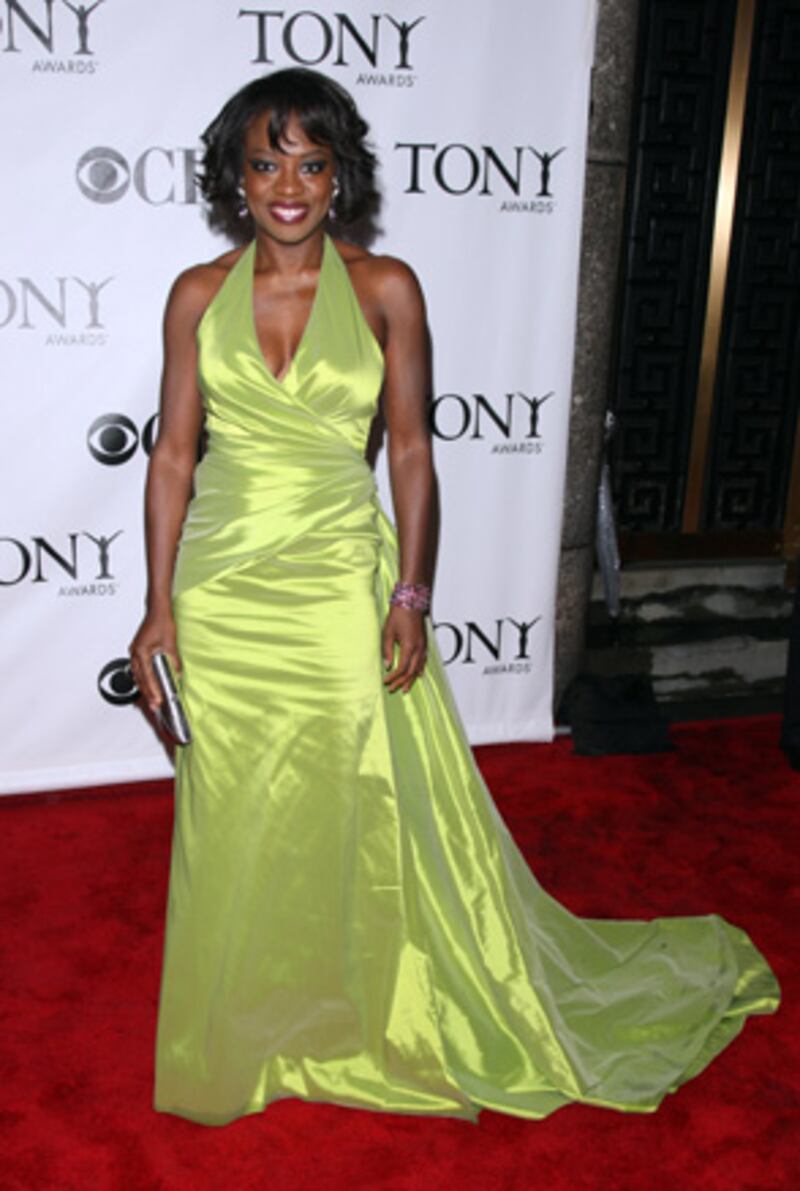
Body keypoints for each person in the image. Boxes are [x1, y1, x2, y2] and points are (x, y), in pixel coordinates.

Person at [130, 68, 780, 1128]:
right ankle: (257, 1017)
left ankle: (365, 1008)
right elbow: (170, 457)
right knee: (235, 808)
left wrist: (411, 592)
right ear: (233, 176)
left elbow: (411, 450)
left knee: (358, 799)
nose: (285, 185)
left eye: (309, 162)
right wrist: (158, 608)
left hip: (342, 578)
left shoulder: (385, 287)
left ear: (339, 175)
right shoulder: (196, 295)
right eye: (263, 162)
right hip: (223, 591)